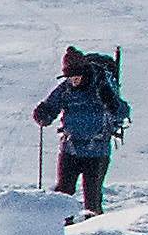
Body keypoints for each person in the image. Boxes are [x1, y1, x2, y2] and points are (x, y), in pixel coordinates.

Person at [32, 45, 130, 220]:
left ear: (84, 73)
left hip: (97, 151)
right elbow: (51, 106)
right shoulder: (65, 89)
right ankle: (62, 229)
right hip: (71, 149)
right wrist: (43, 113)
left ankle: (92, 232)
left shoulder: (102, 86)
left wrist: (112, 102)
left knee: (92, 196)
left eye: (76, 77)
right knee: (63, 193)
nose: (73, 81)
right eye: (70, 78)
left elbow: (123, 111)